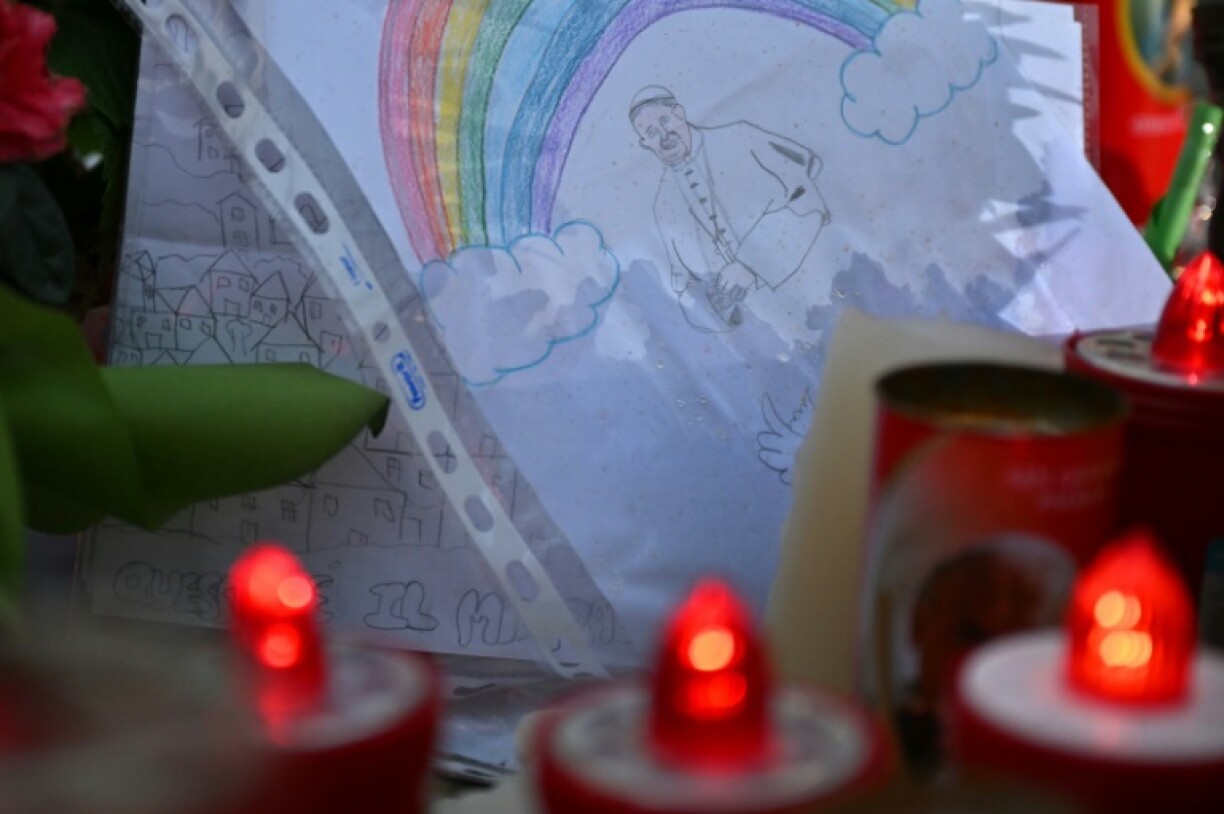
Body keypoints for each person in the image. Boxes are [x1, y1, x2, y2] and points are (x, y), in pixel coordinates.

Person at [630, 85, 831, 332]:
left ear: (680, 113)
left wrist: (750, 264)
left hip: (825, 284)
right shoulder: (663, 204)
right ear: (645, 143)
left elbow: (810, 198)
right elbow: (683, 284)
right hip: (765, 330)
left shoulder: (740, 137)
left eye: (665, 121)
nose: (664, 136)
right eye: (651, 132)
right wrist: (715, 306)